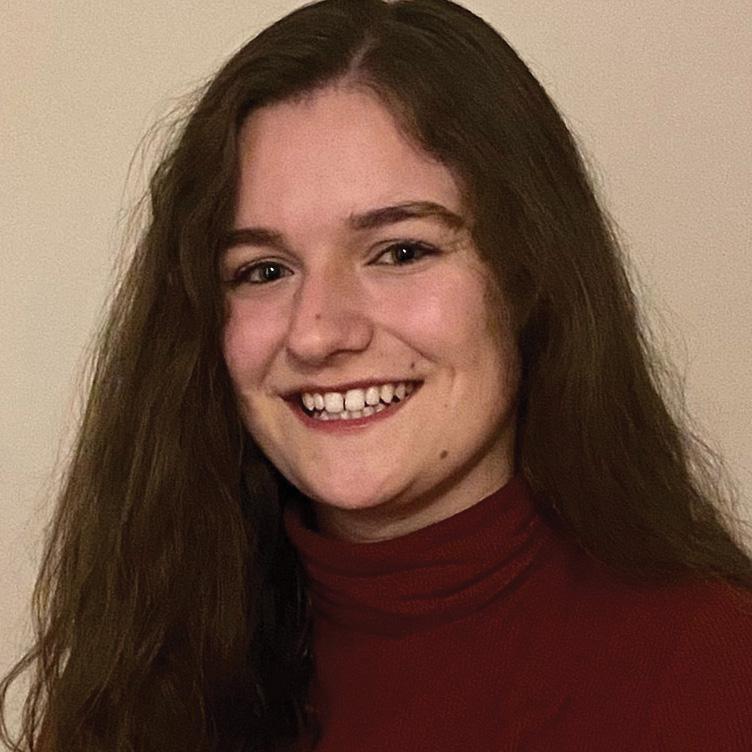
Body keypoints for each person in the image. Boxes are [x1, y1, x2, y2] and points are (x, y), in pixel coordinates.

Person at [2, 1, 751, 750]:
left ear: (529, 277)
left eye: (401, 252)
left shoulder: (715, 671)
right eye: (264, 270)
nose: (318, 332)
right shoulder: (146, 671)